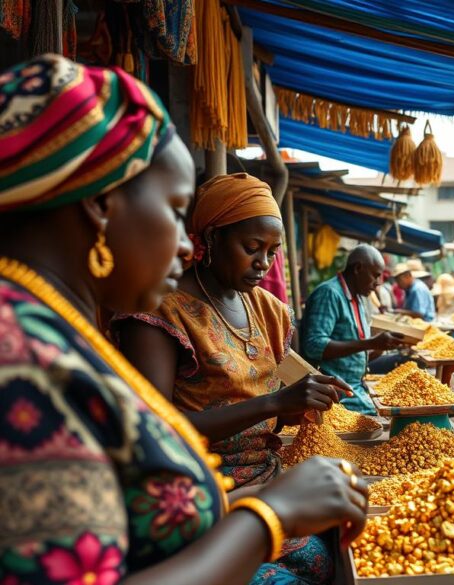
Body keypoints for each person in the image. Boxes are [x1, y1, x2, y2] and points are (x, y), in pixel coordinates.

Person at [0, 54, 366, 585]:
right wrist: (268, 516)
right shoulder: (20, 363)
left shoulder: (52, 331)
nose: (182, 244)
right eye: (175, 212)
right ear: (102, 204)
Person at [116, 173, 353, 582]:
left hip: (267, 477)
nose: (263, 263)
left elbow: (272, 409)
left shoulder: (269, 311)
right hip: (198, 494)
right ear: (209, 240)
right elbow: (154, 434)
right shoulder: (160, 312)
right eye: (251, 248)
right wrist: (276, 402)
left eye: (272, 251)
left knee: (340, 545)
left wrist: (305, 401)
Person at [300, 245, 407, 414]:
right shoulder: (329, 294)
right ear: (358, 268)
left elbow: (354, 352)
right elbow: (314, 346)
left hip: (357, 386)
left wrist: (378, 347)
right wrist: (370, 343)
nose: (378, 283)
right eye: (375, 275)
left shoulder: (359, 298)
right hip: (336, 394)